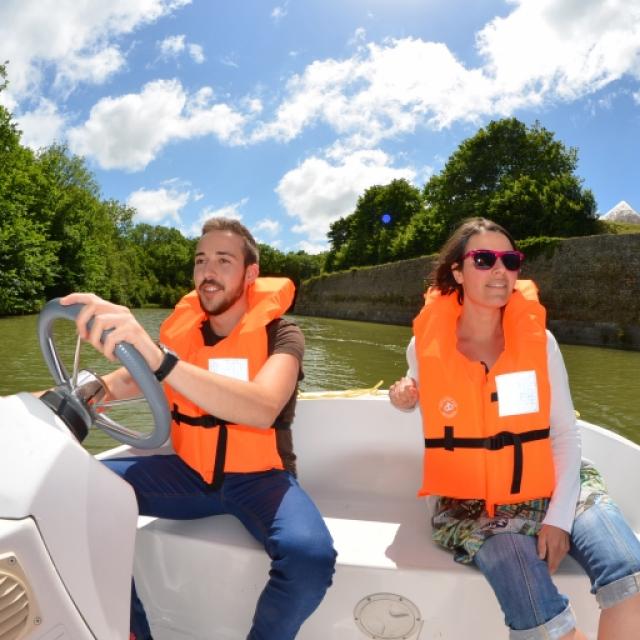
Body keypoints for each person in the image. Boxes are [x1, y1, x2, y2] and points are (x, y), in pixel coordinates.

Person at [61, 217, 336, 640]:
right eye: (201, 260)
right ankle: (133, 633)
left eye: (224, 261)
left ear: (250, 274)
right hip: (188, 473)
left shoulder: (283, 334)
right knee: (74, 492)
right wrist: (91, 389)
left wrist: (160, 360)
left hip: (261, 481)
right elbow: (136, 377)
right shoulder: (185, 333)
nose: (208, 272)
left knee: (310, 558)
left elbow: (263, 406)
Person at [388, 217, 640, 640]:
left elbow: (564, 434)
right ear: (457, 271)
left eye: (510, 260)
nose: (500, 271)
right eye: (484, 260)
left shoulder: (540, 341)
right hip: (474, 504)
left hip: (555, 480)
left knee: (628, 571)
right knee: (531, 601)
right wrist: (403, 400)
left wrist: (558, 519)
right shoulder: (423, 348)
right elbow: (438, 413)